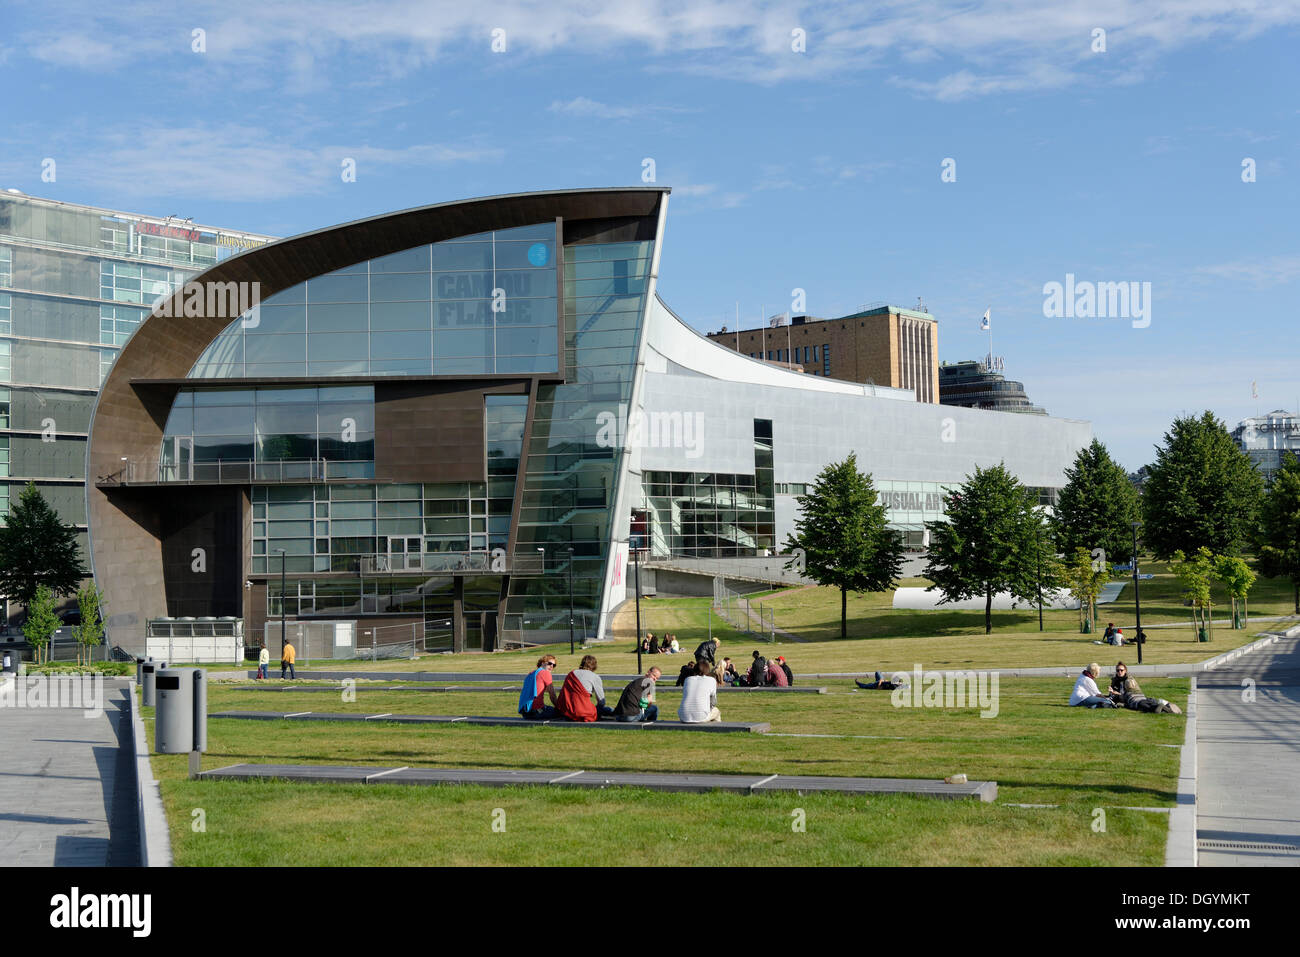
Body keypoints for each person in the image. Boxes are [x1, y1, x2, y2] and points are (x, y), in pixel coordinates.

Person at [556, 654, 613, 722]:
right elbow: (601, 702)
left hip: (568, 712)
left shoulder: (571, 674)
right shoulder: (595, 677)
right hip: (584, 712)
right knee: (609, 709)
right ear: (594, 665)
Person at [518, 654, 559, 719]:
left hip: (525, 712)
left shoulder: (531, 674)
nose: (551, 666)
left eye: (554, 665)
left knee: (548, 708)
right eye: (549, 663)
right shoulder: (546, 673)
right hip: (537, 712)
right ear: (542, 663)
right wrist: (560, 709)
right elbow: (552, 696)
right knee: (562, 713)